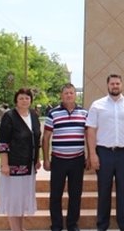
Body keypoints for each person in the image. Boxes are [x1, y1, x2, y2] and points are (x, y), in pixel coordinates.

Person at [86, 73, 124, 231]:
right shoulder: (97, 105)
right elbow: (91, 130)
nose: (115, 86)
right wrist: (92, 154)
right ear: (107, 85)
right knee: (103, 192)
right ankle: (102, 226)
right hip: (103, 153)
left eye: (118, 83)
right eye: (112, 84)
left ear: (122, 85)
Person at [42, 83, 88, 231]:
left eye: (71, 93)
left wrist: (88, 156)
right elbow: (46, 138)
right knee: (56, 195)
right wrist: (46, 160)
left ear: (76, 95)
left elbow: (88, 136)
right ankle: (56, 225)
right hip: (58, 160)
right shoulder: (53, 113)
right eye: (66, 93)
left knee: (75, 195)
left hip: (77, 160)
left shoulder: (84, 113)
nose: (69, 95)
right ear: (61, 96)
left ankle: (72, 224)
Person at [0, 87, 42, 231]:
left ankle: (21, 228)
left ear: (31, 100)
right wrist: (4, 164)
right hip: (13, 165)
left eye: (27, 98)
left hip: (29, 166)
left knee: (22, 200)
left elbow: (37, 139)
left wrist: (37, 159)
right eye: (21, 98)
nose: (24, 101)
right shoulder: (9, 116)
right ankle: (14, 228)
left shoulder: (34, 116)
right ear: (16, 100)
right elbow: (3, 142)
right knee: (14, 200)